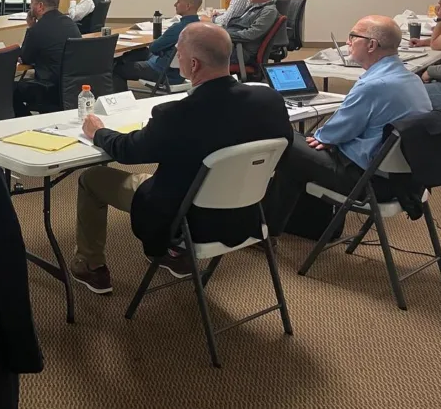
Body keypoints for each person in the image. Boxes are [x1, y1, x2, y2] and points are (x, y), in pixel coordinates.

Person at [68, 22, 293, 293]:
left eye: (179, 53)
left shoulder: (176, 114)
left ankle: (90, 265)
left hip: (187, 217)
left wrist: (99, 132)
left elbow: (128, 151)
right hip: (248, 212)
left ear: (194, 64)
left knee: (92, 177)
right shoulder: (268, 100)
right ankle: (174, 253)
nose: (177, 57)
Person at [265, 16, 431, 236]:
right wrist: (326, 140)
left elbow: (332, 134)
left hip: (372, 182)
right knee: (301, 153)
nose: (348, 41)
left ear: (371, 45)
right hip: (407, 181)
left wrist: (325, 139)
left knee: (285, 139)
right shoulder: (410, 78)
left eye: (354, 36)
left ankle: (266, 228)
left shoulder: (373, 86)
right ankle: (311, 226)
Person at [112, 0, 201, 91]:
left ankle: (122, 101)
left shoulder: (178, 28)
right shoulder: (199, 27)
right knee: (141, 52)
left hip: (163, 72)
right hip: (180, 72)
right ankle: (120, 61)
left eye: (178, 1)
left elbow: (154, 48)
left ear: (188, 6)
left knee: (116, 69)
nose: (175, 4)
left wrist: (161, 50)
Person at [13, 0, 81, 116]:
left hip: (48, 88)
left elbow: (25, 58)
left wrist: (31, 27)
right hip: (72, 86)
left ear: (40, 6)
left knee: (8, 90)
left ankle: (27, 121)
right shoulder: (70, 23)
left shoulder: (38, 29)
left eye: (31, 3)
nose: (30, 6)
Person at [224, 0, 280, 65]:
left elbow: (251, 34)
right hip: (233, 43)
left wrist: (223, 34)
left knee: (204, 52)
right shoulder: (255, 5)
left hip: (242, 51)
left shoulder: (269, 11)